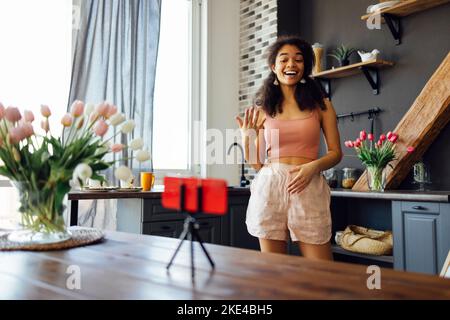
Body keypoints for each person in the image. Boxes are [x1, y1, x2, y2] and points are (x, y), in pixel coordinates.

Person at [235, 35, 342, 260]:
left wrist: (313, 167)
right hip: (270, 187)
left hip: (308, 186)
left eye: (298, 59)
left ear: (305, 66)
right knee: (274, 269)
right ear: (273, 66)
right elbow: (257, 163)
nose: (291, 64)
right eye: (284, 59)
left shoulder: (322, 106)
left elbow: (335, 153)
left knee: (321, 270)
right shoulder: (264, 109)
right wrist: (248, 137)